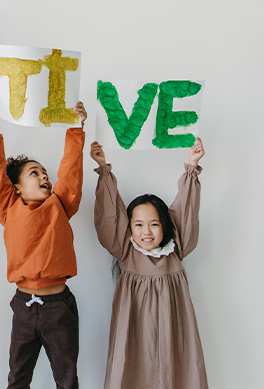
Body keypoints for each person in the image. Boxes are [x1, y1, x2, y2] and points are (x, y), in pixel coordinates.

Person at [0, 103, 87, 389]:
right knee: (17, 378)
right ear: (16, 187)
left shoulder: (60, 204)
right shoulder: (9, 208)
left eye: (45, 174)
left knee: (66, 380)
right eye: (34, 173)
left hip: (59, 307)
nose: (44, 176)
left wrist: (76, 128)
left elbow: (70, 171)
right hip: (23, 306)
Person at [91, 137, 208, 389]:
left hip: (172, 329)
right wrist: (103, 168)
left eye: (154, 224)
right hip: (133, 329)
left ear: (165, 225)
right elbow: (109, 214)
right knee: (131, 370)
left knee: (176, 371)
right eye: (139, 225)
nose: (147, 232)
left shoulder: (176, 248)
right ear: (129, 227)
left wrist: (192, 166)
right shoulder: (125, 250)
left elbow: (187, 209)